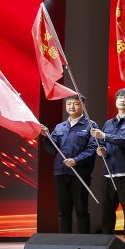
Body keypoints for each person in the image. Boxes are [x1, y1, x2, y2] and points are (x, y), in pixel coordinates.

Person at [91, 88, 125, 248]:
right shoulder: (108, 123)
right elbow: (103, 144)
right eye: (119, 97)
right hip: (108, 172)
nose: (122, 100)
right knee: (107, 211)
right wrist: (101, 150)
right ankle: (106, 244)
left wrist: (105, 136)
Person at [41, 95, 97, 234]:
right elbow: (52, 149)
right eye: (69, 104)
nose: (72, 106)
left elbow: (92, 149)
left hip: (80, 173)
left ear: (83, 106)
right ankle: (64, 242)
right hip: (60, 172)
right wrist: (47, 136)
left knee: (81, 210)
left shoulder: (91, 125)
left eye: (76, 104)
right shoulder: (60, 127)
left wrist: (76, 160)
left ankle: (83, 242)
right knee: (63, 211)